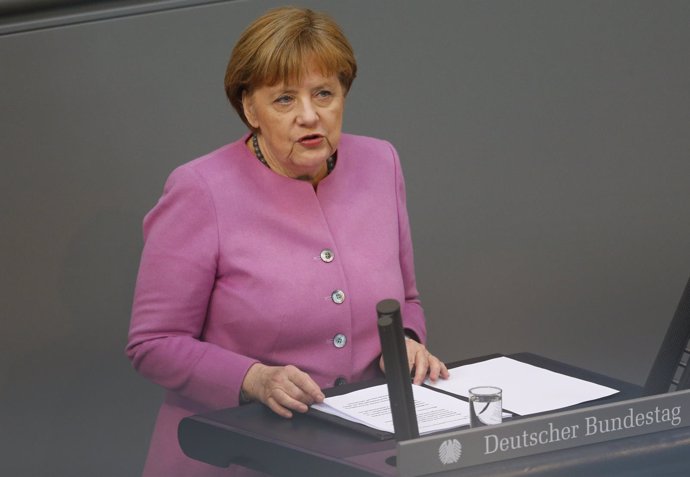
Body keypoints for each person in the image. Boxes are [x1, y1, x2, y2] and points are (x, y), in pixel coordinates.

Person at [126, 6, 449, 477]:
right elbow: (152, 343)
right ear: (249, 108)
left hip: (358, 455)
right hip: (234, 455)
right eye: (283, 100)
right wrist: (253, 379)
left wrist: (405, 340)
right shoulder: (199, 189)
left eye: (324, 93)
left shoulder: (381, 163)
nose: (309, 115)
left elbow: (407, 301)